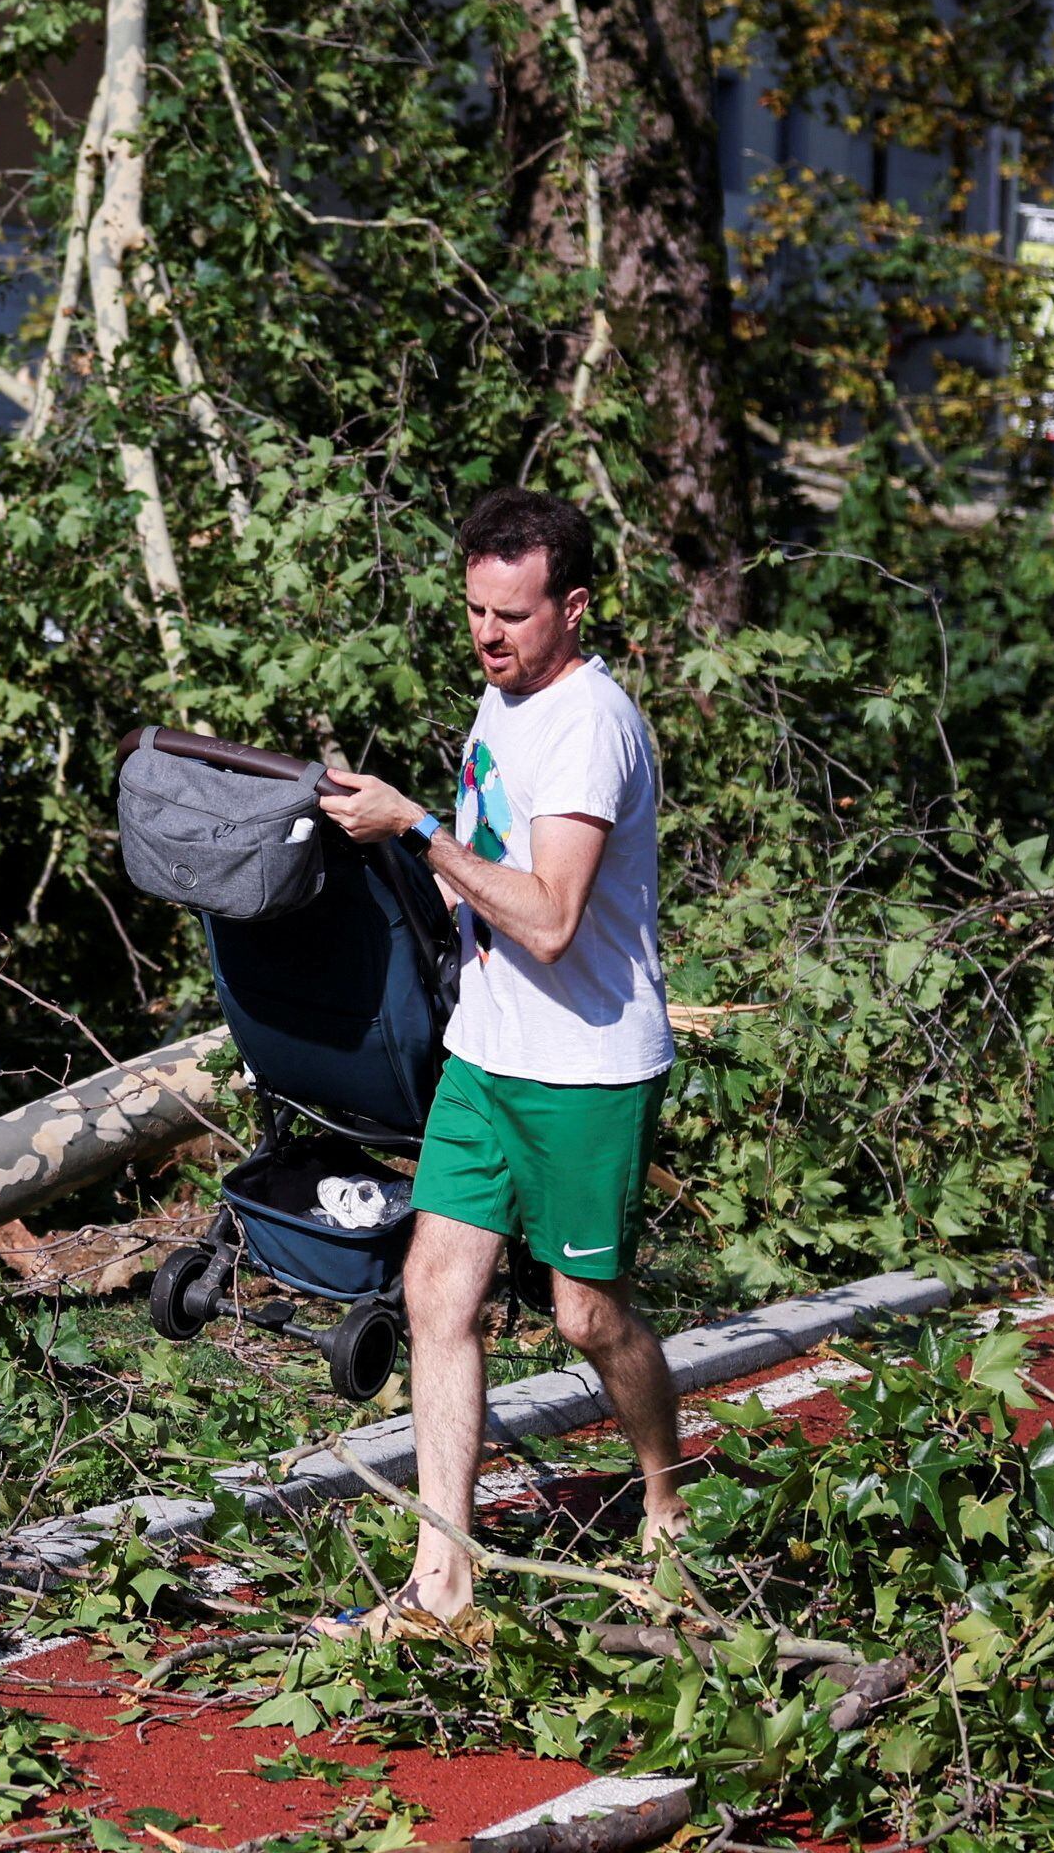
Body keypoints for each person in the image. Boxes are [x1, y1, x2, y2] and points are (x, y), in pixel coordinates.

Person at [313, 487, 680, 1638]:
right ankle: (443, 1581)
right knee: (437, 1289)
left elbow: (554, 917)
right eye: (475, 611)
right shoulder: (502, 694)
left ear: (572, 606)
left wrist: (417, 828)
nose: (488, 636)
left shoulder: (589, 725)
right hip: (488, 1050)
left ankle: (666, 1498)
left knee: (585, 1317)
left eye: (513, 615)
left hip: (585, 1066)